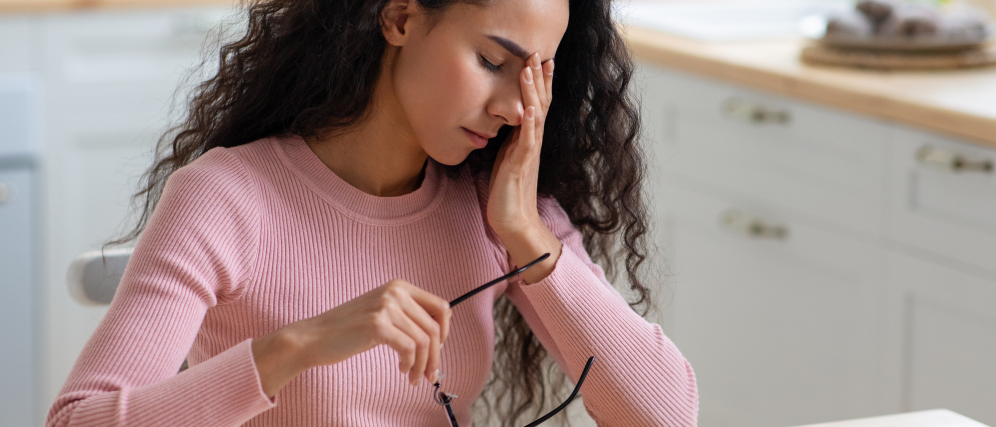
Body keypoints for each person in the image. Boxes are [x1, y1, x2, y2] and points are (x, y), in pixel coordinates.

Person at [46, 0, 698, 425]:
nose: (514, 108)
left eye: (535, 78)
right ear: (402, 17)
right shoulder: (228, 196)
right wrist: (294, 347)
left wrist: (526, 236)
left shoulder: (500, 203)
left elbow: (666, 415)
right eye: (492, 62)